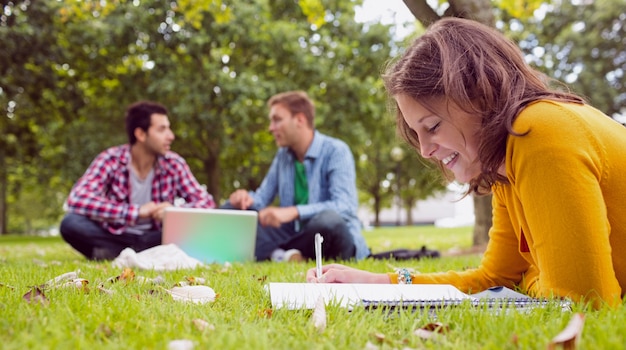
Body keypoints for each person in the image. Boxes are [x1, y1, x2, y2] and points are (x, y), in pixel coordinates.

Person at [306, 18, 626, 308]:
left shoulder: (539, 132)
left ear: (481, 96)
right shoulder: (504, 161)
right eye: (416, 135)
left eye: (432, 127)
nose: (425, 151)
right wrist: (382, 282)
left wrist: (530, 278)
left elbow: (585, 301)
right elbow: (495, 277)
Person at [223, 91, 370, 262]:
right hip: (295, 235)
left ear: (300, 120)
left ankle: (276, 253)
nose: (271, 128)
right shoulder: (283, 156)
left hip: (328, 236)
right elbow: (262, 198)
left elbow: (345, 206)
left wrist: (294, 212)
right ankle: (287, 255)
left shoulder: (336, 151)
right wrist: (245, 199)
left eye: (277, 120)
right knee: (232, 211)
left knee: (328, 221)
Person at [60, 101, 215, 260]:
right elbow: (77, 199)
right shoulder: (111, 159)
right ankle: (139, 254)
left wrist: (173, 211)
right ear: (141, 134)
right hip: (117, 234)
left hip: (155, 237)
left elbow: (206, 202)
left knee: (200, 227)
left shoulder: (174, 163)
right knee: (71, 223)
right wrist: (136, 212)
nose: (171, 136)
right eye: (162, 129)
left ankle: (116, 254)